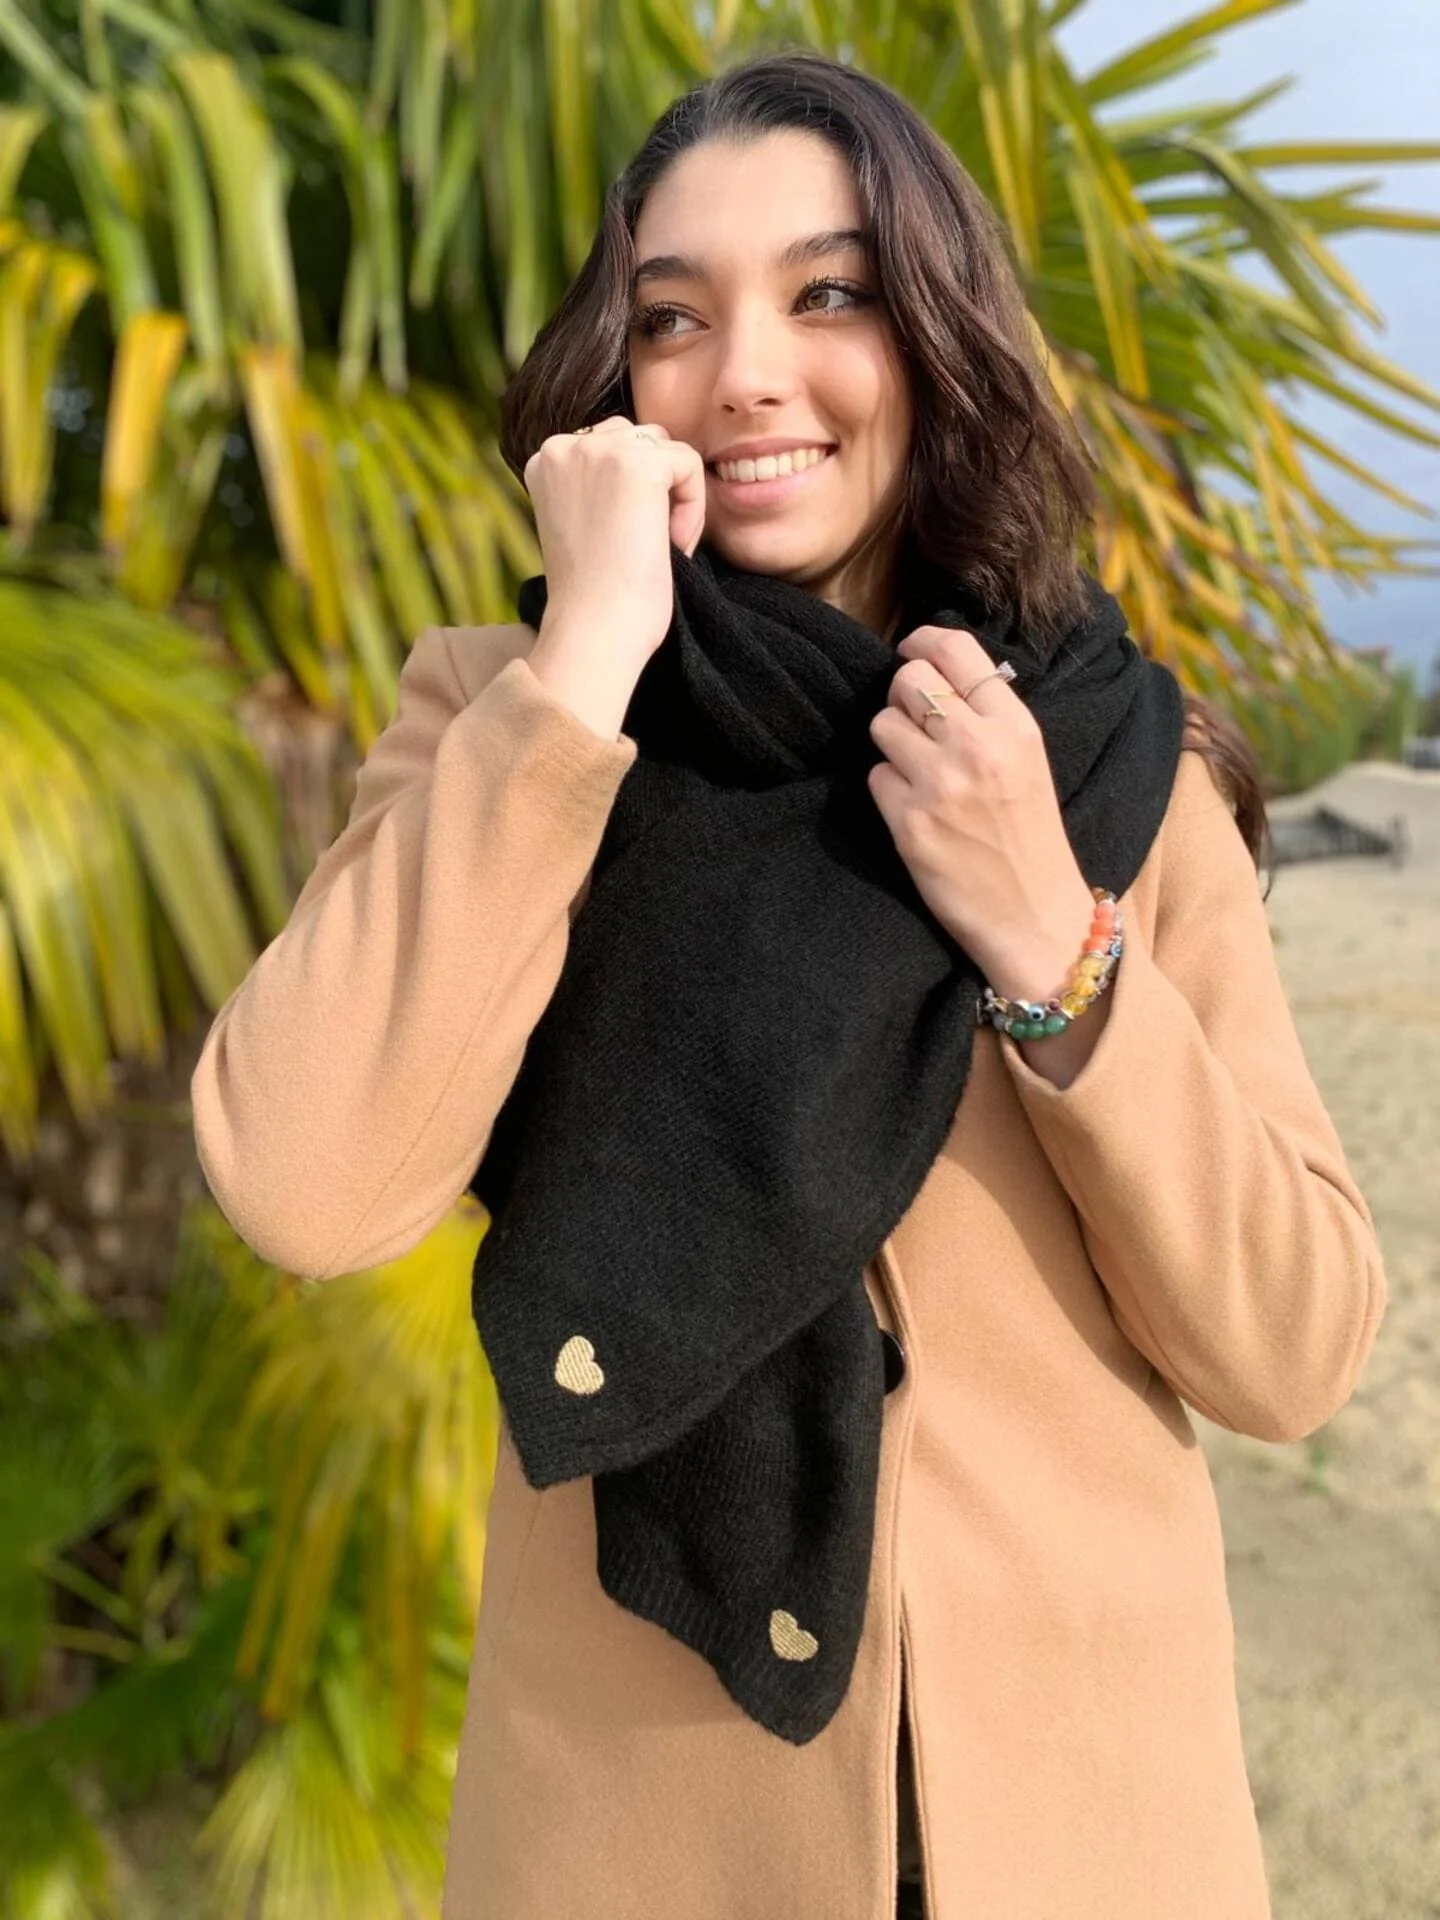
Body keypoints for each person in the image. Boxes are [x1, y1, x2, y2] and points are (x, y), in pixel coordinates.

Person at [190, 47, 1388, 1920]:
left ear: (936, 338)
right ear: (619, 380)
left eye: (828, 294)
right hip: (640, 1850)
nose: (744, 372)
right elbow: (301, 1178)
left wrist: (1054, 941)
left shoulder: (1104, 764)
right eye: (673, 317)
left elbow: (1295, 1347)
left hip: (1085, 1840)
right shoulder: (502, 715)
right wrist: (583, 673)